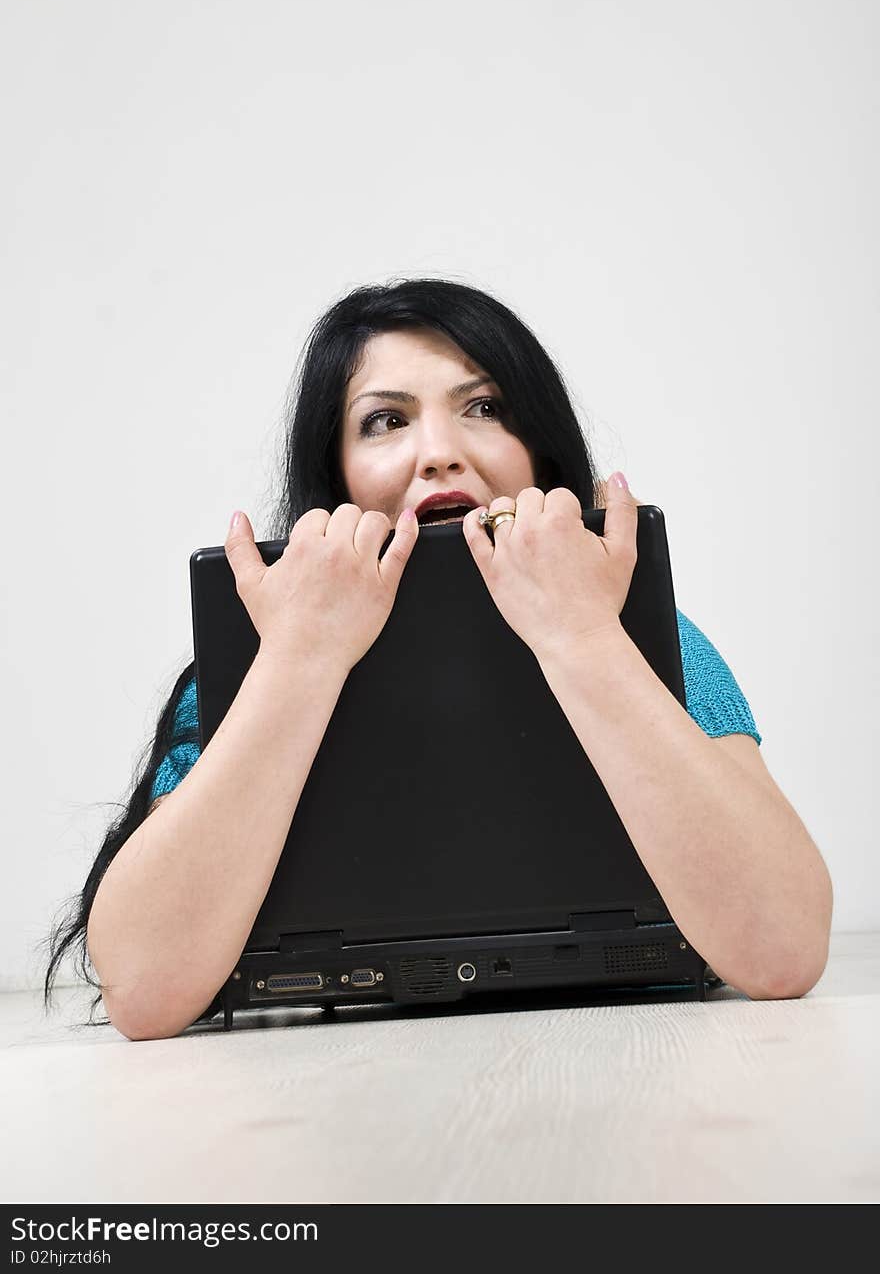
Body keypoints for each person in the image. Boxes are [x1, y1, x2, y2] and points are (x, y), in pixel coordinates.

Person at [43, 277, 832, 1040]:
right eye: (385, 421)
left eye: (485, 407)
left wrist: (584, 638)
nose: (440, 454)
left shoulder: (652, 637)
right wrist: (299, 660)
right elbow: (142, 990)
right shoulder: (258, 662)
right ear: (335, 477)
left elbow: (785, 947)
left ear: (541, 458)